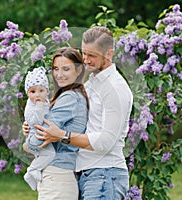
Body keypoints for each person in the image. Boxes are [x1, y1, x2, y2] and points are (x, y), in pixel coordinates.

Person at [34, 26, 133, 199]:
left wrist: (62, 135)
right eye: (84, 54)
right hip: (87, 173)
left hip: (105, 174)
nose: (85, 60)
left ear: (109, 54)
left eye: (92, 56)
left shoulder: (116, 88)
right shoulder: (92, 83)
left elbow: (105, 141)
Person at [23, 47, 89, 200]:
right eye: (56, 69)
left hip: (57, 175)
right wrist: (29, 129)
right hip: (59, 175)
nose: (59, 75)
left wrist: (28, 142)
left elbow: (36, 141)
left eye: (66, 69)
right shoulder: (72, 96)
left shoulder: (69, 98)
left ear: (79, 70)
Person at [23, 66, 54, 191]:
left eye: (41, 90)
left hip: (39, 136)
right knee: (50, 154)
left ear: (47, 91)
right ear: (28, 93)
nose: (37, 95)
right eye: (33, 92)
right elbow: (34, 121)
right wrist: (40, 107)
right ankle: (33, 170)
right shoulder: (32, 106)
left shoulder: (45, 101)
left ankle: (31, 172)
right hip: (35, 137)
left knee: (45, 154)